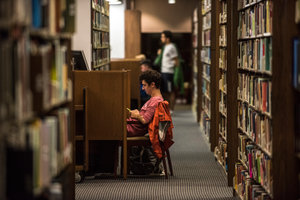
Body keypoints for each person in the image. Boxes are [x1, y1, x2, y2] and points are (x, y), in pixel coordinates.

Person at [127, 69, 164, 137]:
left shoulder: (155, 101)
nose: (143, 88)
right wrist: (138, 113)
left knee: (112, 129)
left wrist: (136, 115)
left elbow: (145, 120)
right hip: (135, 127)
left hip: (135, 129)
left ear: (152, 84)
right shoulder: (155, 99)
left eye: (144, 85)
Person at [154, 30, 178, 113]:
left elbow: (176, 61)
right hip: (164, 71)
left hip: (169, 72)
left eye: (163, 37)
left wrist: (172, 69)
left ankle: (171, 109)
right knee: (165, 91)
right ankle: (167, 108)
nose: (161, 38)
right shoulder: (165, 47)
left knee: (170, 91)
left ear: (167, 38)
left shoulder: (172, 47)